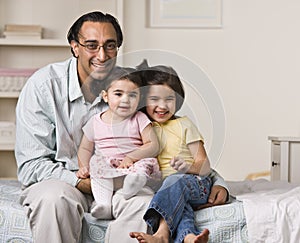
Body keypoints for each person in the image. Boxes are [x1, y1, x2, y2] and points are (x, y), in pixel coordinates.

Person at [14, 11, 228, 243]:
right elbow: (31, 165)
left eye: (110, 45)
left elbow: (172, 141)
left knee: (147, 204)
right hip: (66, 182)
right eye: (91, 45)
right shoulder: (43, 87)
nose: (102, 55)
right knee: (53, 199)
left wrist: (218, 182)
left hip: (123, 183)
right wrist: (84, 182)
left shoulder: (129, 87)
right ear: (74, 47)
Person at [130, 64, 219, 243]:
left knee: (174, 182)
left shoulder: (184, 125)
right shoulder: (143, 127)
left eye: (169, 99)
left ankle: (162, 234)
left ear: (177, 100)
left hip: (196, 184)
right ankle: (189, 237)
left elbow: (205, 165)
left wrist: (187, 166)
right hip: (171, 190)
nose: (162, 106)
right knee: (179, 204)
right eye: (154, 99)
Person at [76, 67, 160, 219]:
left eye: (132, 95)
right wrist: (83, 166)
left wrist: (131, 157)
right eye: (118, 94)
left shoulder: (139, 118)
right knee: (96, 163)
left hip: (133, 166)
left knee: (145, 163)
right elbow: (85, 148)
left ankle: (132, 186)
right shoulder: (95, 121)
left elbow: (153, 145)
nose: (125, 100)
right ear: (105, 96)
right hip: (109, 168)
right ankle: (104, 204)